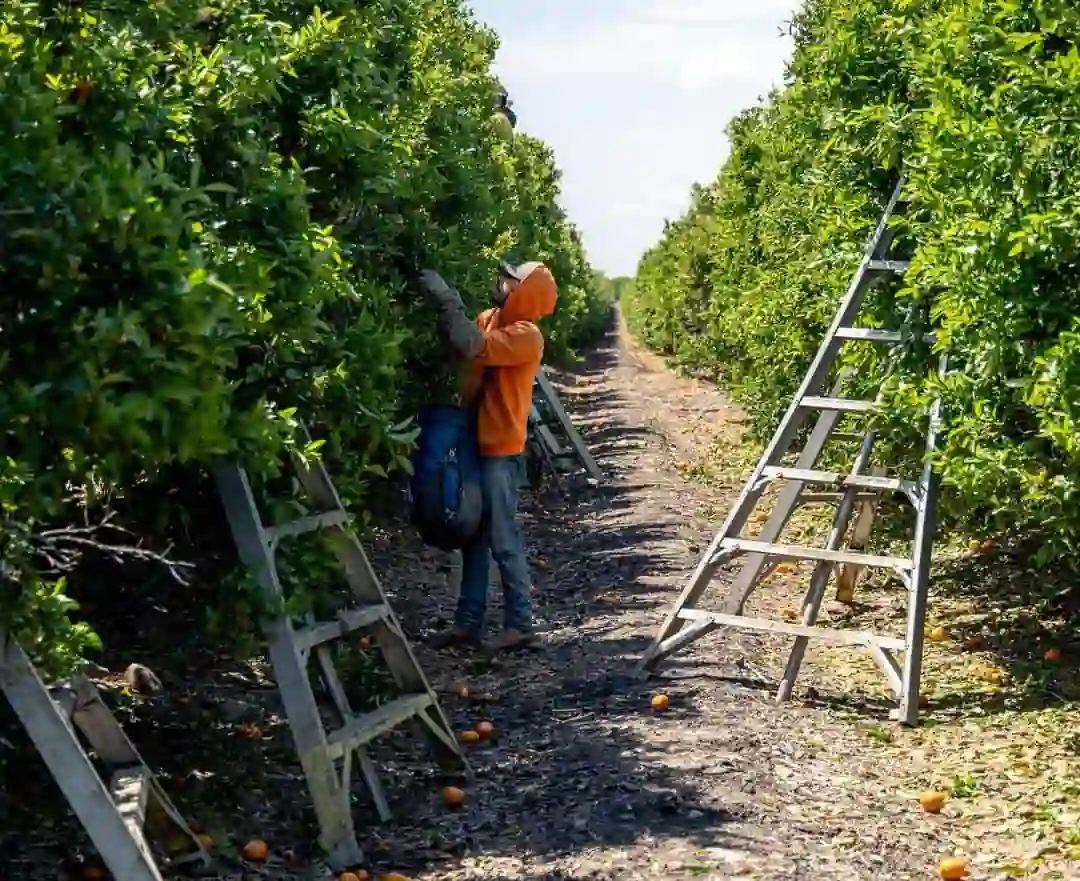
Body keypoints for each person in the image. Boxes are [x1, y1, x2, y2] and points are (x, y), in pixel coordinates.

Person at [418, 260, 558, 653]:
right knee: (474, 536)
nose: (502, 282)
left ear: (525, 292)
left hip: (501, 450)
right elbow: (463, 341)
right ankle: (468, 623)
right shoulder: (489, 319)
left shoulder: (526, 336)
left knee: (503, 536)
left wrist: (447, 300)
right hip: (474, 442)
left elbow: (473, 347)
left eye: (511, 279)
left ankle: (521, 623)